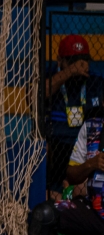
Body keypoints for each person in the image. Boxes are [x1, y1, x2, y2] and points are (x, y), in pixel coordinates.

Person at [27, 112, 104, 235]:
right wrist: (92, 163)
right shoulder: (92, 128)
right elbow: (72, 175)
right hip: (95, 211)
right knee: (44, 215)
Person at [45, 35, 104, 197]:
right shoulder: (50, 77)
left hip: (87, 145)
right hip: (58, 144)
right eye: (73, 61)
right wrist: (70, 72)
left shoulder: (96, 81)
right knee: (45, 148)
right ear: (60, 61)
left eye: (83, 60)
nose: (80, 66)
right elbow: (37, 95)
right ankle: (52, 191)